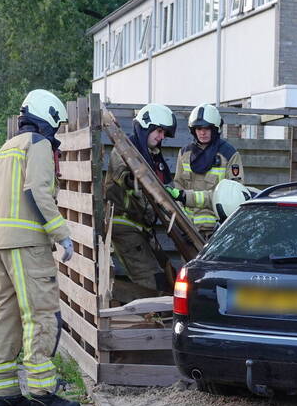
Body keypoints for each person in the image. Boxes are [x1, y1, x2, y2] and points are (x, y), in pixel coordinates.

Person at [0, 89, 80, 406]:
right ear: (48, 118)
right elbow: (37, 192)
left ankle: (4, 391)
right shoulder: (37, 144)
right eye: (57, 126)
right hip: (28, 244)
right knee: (41, 312)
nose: (56, 133)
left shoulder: (7, 147)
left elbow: (0, 198)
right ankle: (42, 390)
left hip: (1, 242)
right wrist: (63, 235)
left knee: (7, 316)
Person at [103, 103, 176, 293]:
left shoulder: (155, 158)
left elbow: (169, 190)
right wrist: (141, 180)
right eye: (159, 131)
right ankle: (154, 318)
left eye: (164, 134)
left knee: (169, 275)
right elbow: (124, 178)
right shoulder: (124, 150)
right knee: (152, 279)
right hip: (124, 225)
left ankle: (158, 316)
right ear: (146, 125)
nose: (161, 137)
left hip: (143, 229)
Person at [169, 104, 244, 237]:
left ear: (215, 129)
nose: (202, 133)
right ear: (193, 130)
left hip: (216, 231)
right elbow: (178, 183)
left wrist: (187, 197)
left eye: (206, 128)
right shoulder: (185, 153)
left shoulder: (230, 155)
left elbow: (233, 196)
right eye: (198, 128)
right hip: (188, 229)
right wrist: (182, 219)